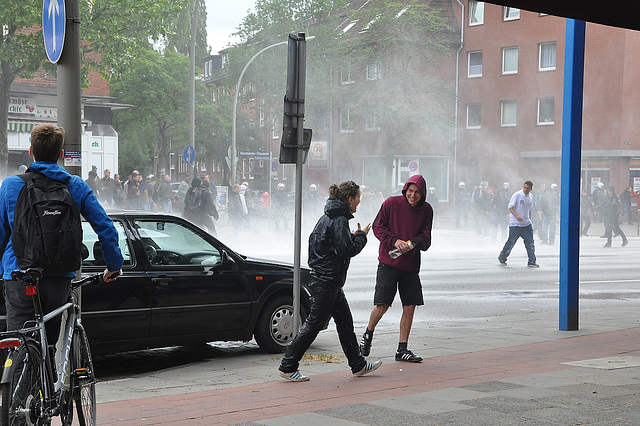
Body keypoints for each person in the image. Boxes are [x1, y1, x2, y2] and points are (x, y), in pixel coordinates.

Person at [0, 124, 123, 346]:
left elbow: (1, 234)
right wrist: (113, 264)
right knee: (48, 341)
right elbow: (105, 226)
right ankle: (48, 374)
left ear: (31, 151)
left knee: (19, 343)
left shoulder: (10, 186)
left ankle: (19, 375)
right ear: (61, 154)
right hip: (59, 275)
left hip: (19, 273)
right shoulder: (75, 185)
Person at [278, 181, 382, 382]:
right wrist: (361, 237)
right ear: (350, 199)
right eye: (358, 197)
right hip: (327, 281)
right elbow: (346, 251)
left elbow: (326, 246)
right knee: (314, 324)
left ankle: (358, 365)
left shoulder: (327, 217)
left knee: (345, 323)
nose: (360, 201)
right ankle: (288, 366)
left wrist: (350, 239)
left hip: (327, 280)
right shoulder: (340, 219)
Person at [360, 174, 433, 363]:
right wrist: (395, 241)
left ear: (422, 194)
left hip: (410, 265)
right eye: (410, 191)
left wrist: (412, 243)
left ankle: (402, 348)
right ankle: (368, 335)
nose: (413, 195)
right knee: (382, 305)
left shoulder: (426, 210)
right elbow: (378, 227)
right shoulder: (391, 203)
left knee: (410, 305)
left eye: (417, 192)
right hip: (388, 263)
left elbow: (426, 239)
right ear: (405, 190)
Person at [498, 181, 538, 267]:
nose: (525, 190)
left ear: (531, 189)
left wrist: (530, 218)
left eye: (528, 188)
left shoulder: (531, 196)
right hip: (515, 224)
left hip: (526, 224)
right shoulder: (517, 195)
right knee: (511, 242)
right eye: (524, 188)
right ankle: (502, 256)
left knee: (530, 243)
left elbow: (530, 209)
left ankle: (532, 260)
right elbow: (510, 207)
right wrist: (517, 216)